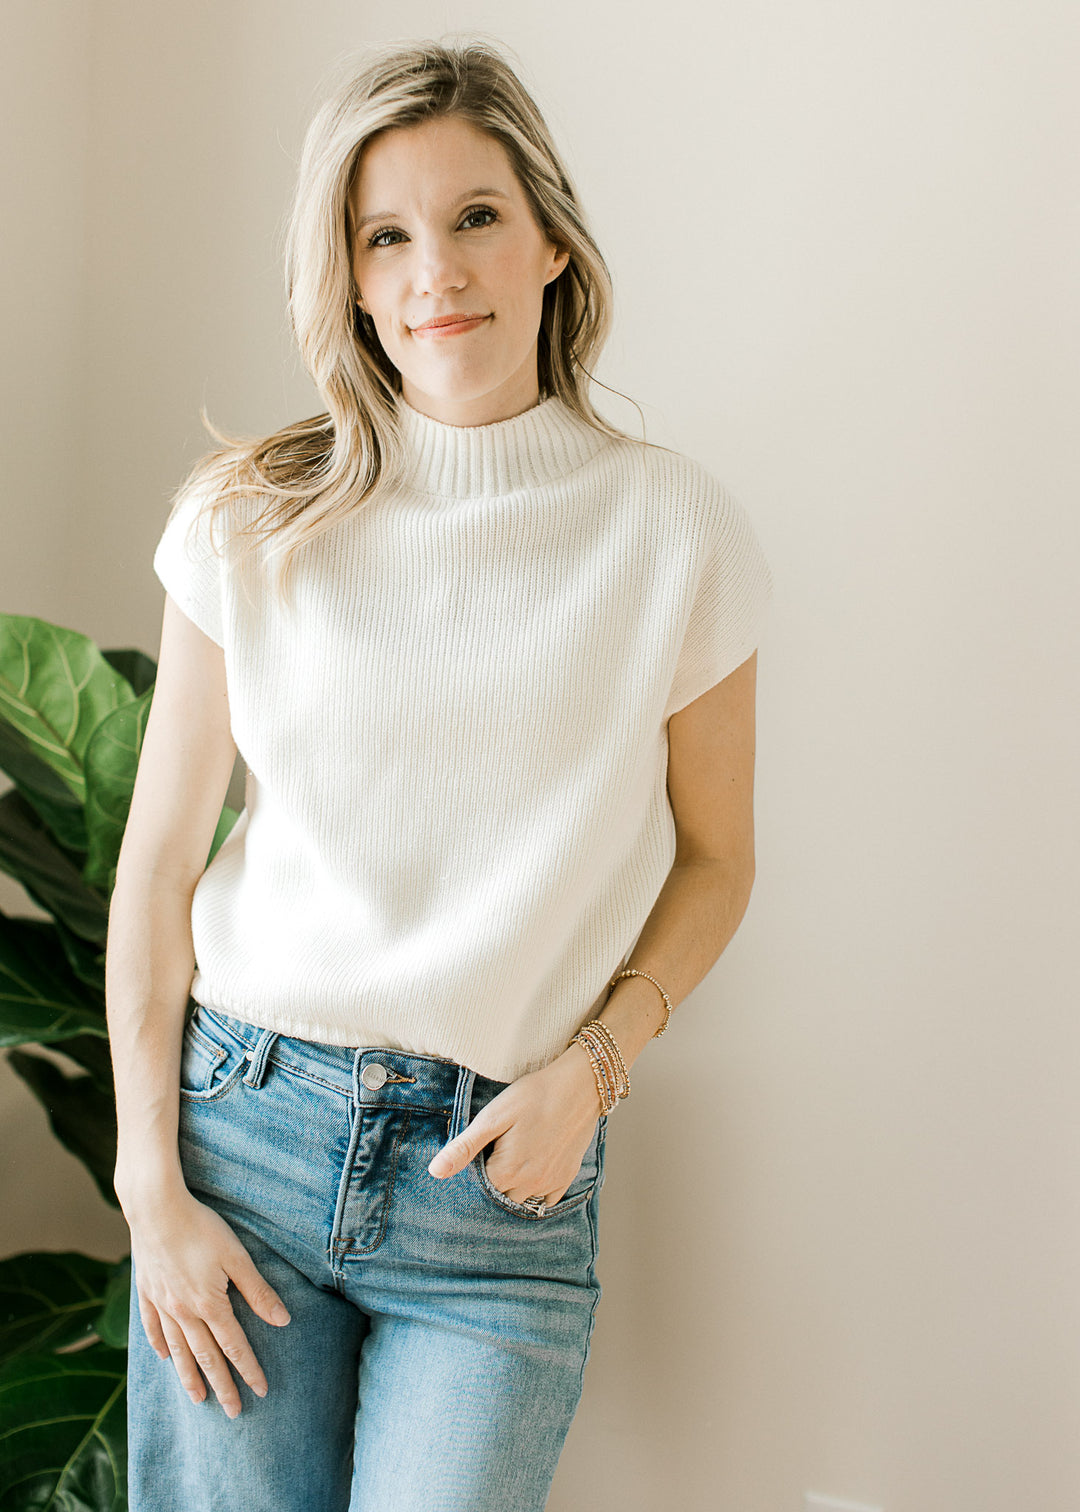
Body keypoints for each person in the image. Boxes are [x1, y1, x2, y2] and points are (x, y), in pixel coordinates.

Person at [107, 34, 773, 1512]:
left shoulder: (675, 533)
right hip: (245, 1146)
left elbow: (718, 856)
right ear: (345, 276)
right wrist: (150, 1189)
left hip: (501, 1198)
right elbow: (159, 869)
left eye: (474, 216)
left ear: (549, 237)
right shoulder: (249, 520)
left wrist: (596, 1069)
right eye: (384, 235)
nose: (435, 272)